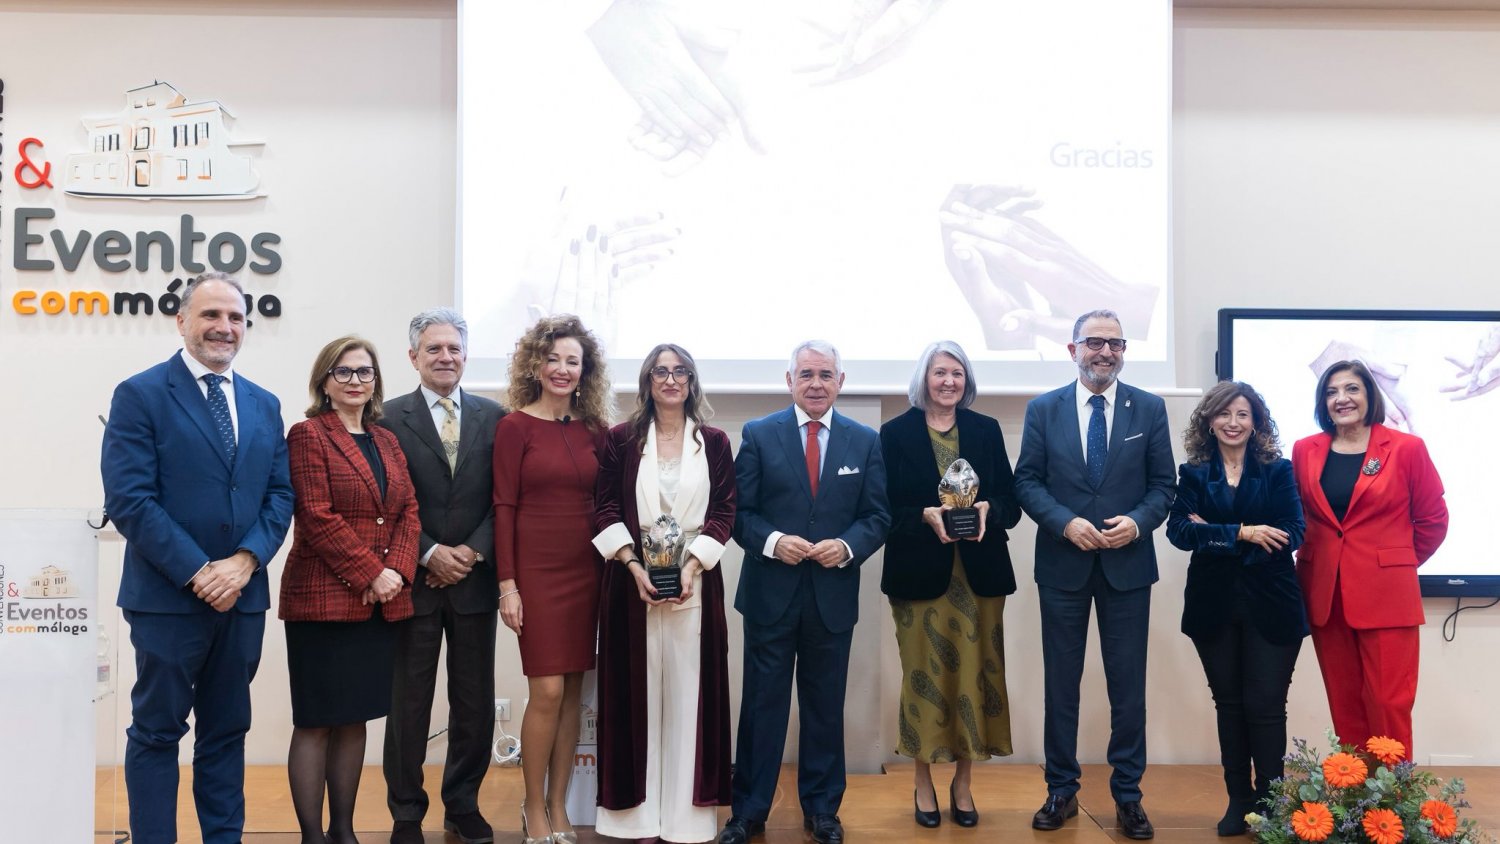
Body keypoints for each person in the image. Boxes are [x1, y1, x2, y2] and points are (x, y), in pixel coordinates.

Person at [101, 271, 294, 844]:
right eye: (211, 315)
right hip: (167, 599)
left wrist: (245, 561)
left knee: (226, 732)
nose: (224, 328)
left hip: (242, 597)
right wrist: (199, 570)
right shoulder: (140, 394)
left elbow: (279, 495)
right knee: (158, 733)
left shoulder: (264, 403)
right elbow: (130, 500)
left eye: (235, 318)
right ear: (181, 320)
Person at [720, 340, 890, 844]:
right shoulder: (758, 434)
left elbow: (878, 517)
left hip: (831, 597)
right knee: (761, 708)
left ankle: (822, 810)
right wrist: (774, 543)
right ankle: (748, 811)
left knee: (823, 707)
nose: (816, 383)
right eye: (806, 374)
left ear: (841, 381)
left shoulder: (864, 441)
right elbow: (738, 515)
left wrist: (846, 546)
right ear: (789, 380)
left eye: (826, 374)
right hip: (771, 596)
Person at [1014, 309, 1174, 840]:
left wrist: (1138, 522)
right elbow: (1028, 482)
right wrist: (1064, 523)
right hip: (1063, 567)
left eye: (1115, 343)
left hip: (1128, 567)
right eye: (1094, 342)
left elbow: (1163, 487)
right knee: (1062, 686)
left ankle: (1128, 796)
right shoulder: (1043, 409)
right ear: (1072, 349)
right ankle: (1061, 789)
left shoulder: (1148, 409)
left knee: (1128, 689)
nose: (1105, 351)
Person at [591, 344, 737, 843]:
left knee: (690, 699)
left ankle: (686, 820)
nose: (670, 380)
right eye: (660, 372)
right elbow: (605, 508)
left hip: (696, 585)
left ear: (692, 381)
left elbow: (724, 511)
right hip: (631, 586)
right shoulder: (620, 440)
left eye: (679, 372)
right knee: (633, 696)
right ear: (647, 381)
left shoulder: (713, 441)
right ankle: (632, 817)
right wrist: (633, 566)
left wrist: (694, 565)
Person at [280, 336, 420, 844]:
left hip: (380, 602)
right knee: (317, 721)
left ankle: (344, 831)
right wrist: (370, 574)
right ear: (324, 382)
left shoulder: (386, 440)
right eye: (344, 373)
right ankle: (312, 836)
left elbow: (407, 512)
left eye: (365, 372)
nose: (356, 381)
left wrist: (398, 574)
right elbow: (315, 515)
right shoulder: (308, 435)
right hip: (322, 600)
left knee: (356, 718)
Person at [878, 340, 1020, 830]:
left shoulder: (985, 429)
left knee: (976, 677)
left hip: (979, 578)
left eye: (957, 374)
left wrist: (988, 509)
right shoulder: (894, 434)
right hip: (920, 578)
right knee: (924, 680)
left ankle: (963, 782)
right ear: (924, 378)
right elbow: (881, 511)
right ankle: (922, 780)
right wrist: (923, 515)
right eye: (940, 373)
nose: (948, 382)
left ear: (967, 381)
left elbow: (1011, 502)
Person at [380, 309, 506, 844]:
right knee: (408, 703)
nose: (445, 357)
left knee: (474, 701)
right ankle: (407, 813)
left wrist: (472, 553)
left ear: (465, 355)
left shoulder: (497, 417)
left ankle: (463, 804)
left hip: (475, 582)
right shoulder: (386, 418)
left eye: (453, 348)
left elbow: (506, 500)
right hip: (413, 581)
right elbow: (382, 504)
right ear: (413, 357)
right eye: (433, 349)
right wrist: (429, 554)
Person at [1165, 381, 1307, 836]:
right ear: (1209, 420)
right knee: (1229, 705)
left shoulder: (1278, 471)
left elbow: (1292, 532)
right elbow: (1179, 533)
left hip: (1273, 604)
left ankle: (1270, 804)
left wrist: (1216, 534)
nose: (1233, 422)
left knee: (1265, 707)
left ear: (1256, 422)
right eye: (1224, 413)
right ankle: (1237, 801)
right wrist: (1244, 533)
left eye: (1243, 414)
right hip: (1213, 607)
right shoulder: (1193, 473)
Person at [493, 314, 611, 844]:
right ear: (535, 365)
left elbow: (608, 505)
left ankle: (559, 807)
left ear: (584, 372)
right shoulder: (514, 426)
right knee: (544, 692)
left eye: (573, 361)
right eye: (554, 359)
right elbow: (503, 508)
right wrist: (508, 585)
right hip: (536, 574)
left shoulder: (598, 432)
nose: (562, 369)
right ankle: (532, 808)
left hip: (589, 571)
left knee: (572, 695)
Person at [1293, 360, 1448, 756]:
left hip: (1386, 597)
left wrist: (1394, 565)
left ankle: (1392, 801)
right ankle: (1354, 805)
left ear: (1369, 396)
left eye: (1351, 389)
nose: (1341, 399)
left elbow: (1432, 520)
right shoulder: (1305, 450)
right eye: (1331, 392)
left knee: (1389, 703)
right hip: (1326, 594)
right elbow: (1300, 517)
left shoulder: (1406, 448)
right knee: (1344, 704)